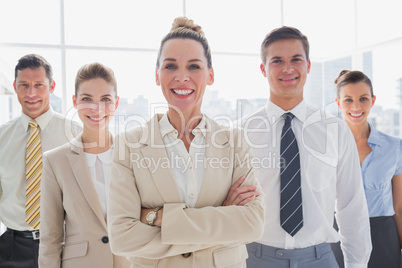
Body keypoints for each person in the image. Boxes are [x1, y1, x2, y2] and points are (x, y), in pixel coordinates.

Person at [107, 17, 265, 268]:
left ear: (210, 75)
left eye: (193, 67)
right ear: (157, 76)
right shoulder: (129, 145)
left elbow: (253, 223)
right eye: (170, 67)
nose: (182, 77)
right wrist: (223, 221)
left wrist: (157, 218)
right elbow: (122, 238)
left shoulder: (235, 142)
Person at [240, 26, 372, 268]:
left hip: (319, 259)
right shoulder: (241, 133)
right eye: (277, 60)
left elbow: (352, 207)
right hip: (254, 258)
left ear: (308, 65)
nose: (287, 68)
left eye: (296, 60)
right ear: (263, 68)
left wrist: (356, 264)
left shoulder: (336, 130)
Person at [38, 62, 130, 268]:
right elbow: (50, 238)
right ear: (75, 102)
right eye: (87, 99)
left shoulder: (133, 155)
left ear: (116, 102)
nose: (96, 108)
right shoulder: (56, 161)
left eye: (105, 99)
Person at [0, 54, 81, 267]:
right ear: (15, 87)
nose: (31, 93)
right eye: (24, 85)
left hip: (64, 245)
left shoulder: (76, 135)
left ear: (52, 86)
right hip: (12, 248)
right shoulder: (1, 138)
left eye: (39, 85)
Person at [334, 70, 402, 268]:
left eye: (363, 98)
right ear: (338, 103)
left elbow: (398, 207)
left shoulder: (394, 147)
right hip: (339, 235)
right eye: (348, 100)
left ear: (372, 101)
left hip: (383, 236)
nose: (356, 106)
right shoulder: (326, 148)